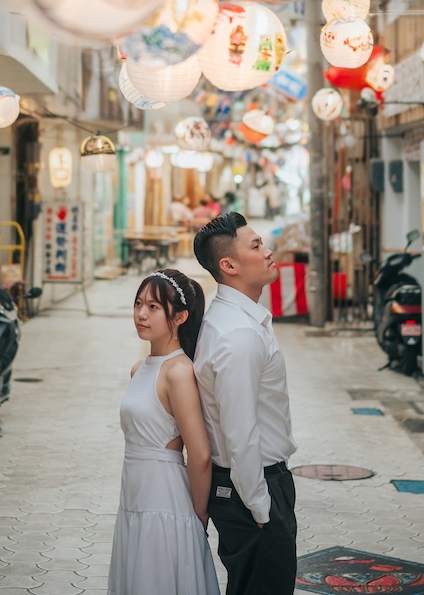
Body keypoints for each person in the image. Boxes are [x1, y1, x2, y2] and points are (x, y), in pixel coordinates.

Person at [191, 212, 297, 595]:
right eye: (256, 246)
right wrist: (261, 507)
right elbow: (240, 431)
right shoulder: (237, 335)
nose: (268, 252)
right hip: (252, 489)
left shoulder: (234, 321)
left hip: (250, 488)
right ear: (229, 265)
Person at [109, 268, 221, 595]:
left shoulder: (179, 371)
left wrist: (198, 516)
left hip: (166, 502)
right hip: (134, 496)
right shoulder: (139, 368)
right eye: (138, 303)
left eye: (154, 307)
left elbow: (199, 454)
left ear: (181, 316)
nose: (141, 314)